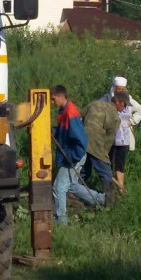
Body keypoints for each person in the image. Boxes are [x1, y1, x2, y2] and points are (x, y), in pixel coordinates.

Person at [69, 91, 128, 208]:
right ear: (117, 101)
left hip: (80, 140)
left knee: (83, 171)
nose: (124, 108)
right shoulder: (116, 118)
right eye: (124, 105)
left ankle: (72, 195)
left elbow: (78, 115)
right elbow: (108, 141)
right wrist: (104, 157)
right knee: (106, 173)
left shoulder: (94, 104)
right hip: (96, 144)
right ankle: (109, 201)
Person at [50, 85, 87, 226]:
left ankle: (61, 221)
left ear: (61, 96)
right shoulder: (62, 110)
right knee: (71, 186)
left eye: (54, 100)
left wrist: (73, 157)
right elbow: (62, 132)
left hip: (74, 155)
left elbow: (81, 140)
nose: (53, 103)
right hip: (69, 154)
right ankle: (103, 199)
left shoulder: (70, 113)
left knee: (58, 187)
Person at [110, 89, 141, 194]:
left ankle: (120, 189)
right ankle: (108, 190)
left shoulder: (128, 100)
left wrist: (131, 122)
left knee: (120, 164)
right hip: (110, 139)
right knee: (108, 165)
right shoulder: (108, 101)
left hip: (123, 138)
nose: (125, 107)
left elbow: (140, 110)